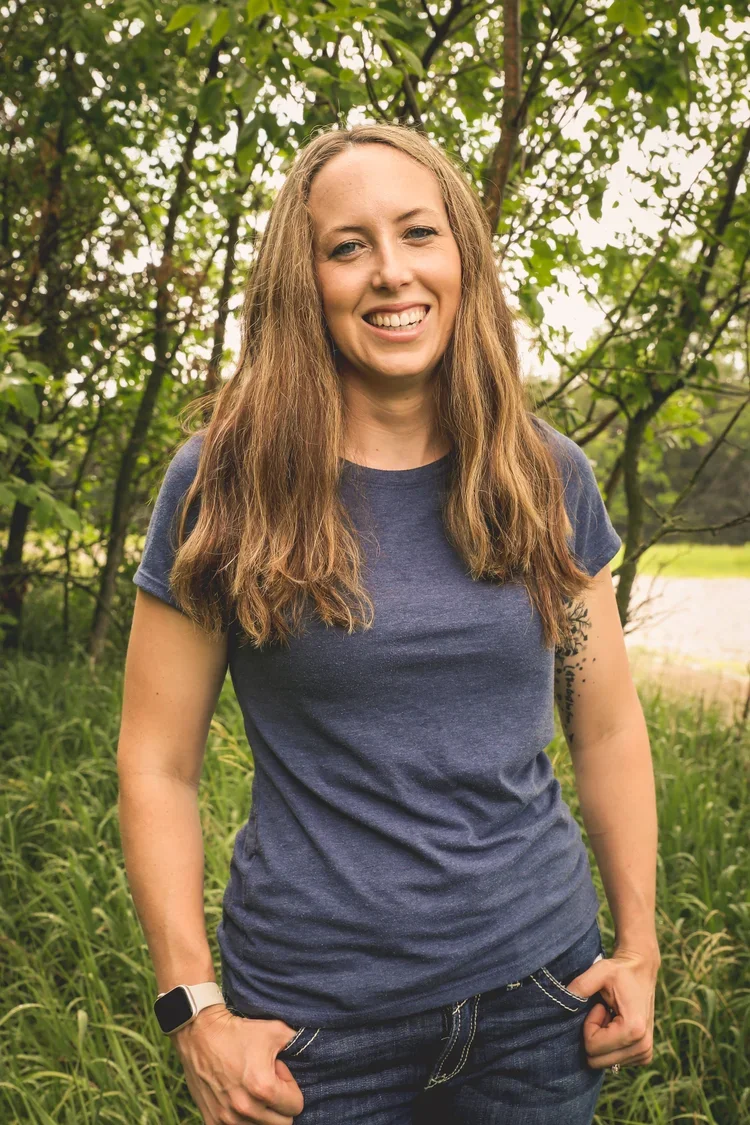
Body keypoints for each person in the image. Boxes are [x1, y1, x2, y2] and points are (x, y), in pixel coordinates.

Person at [118, 122, 660, 1125]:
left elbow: (608, 726)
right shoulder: (223, 484)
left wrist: (640, 946)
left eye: (418, 233)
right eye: (347, 246)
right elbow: (157, 763)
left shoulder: (548, 479)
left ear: (462, 258)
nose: (390, 272)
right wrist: (194, 1006)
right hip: (312, 1029)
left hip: (540, 1000)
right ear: (304, 280)